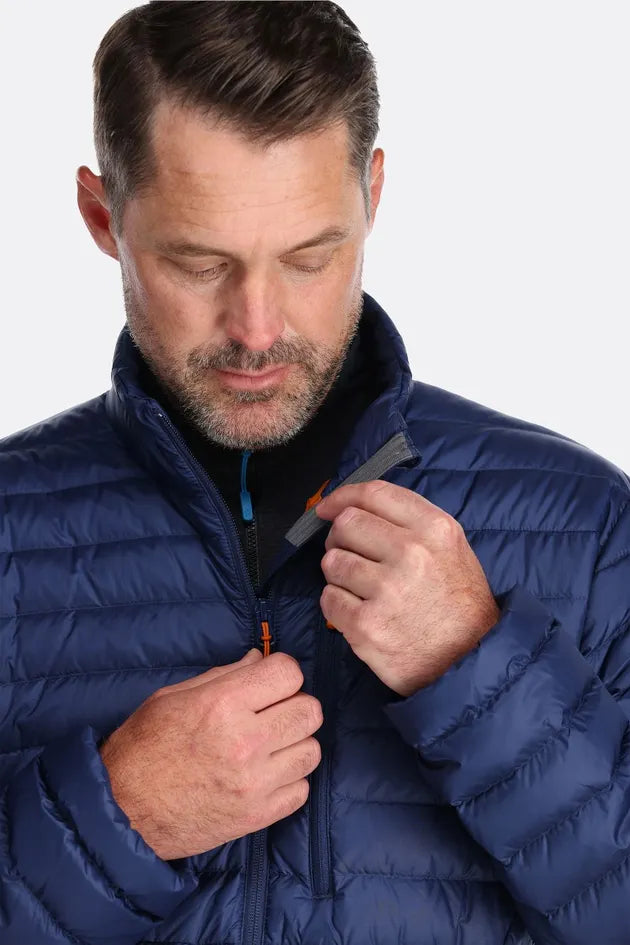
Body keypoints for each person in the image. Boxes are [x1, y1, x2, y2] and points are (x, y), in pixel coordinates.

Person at [1, 2, 628, 943]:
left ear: (372, 196)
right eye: (198, 263)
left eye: (309, 257)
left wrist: (484, 673)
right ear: (103, 216)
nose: (257, 329)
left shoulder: (587, 527)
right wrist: (112, 822)